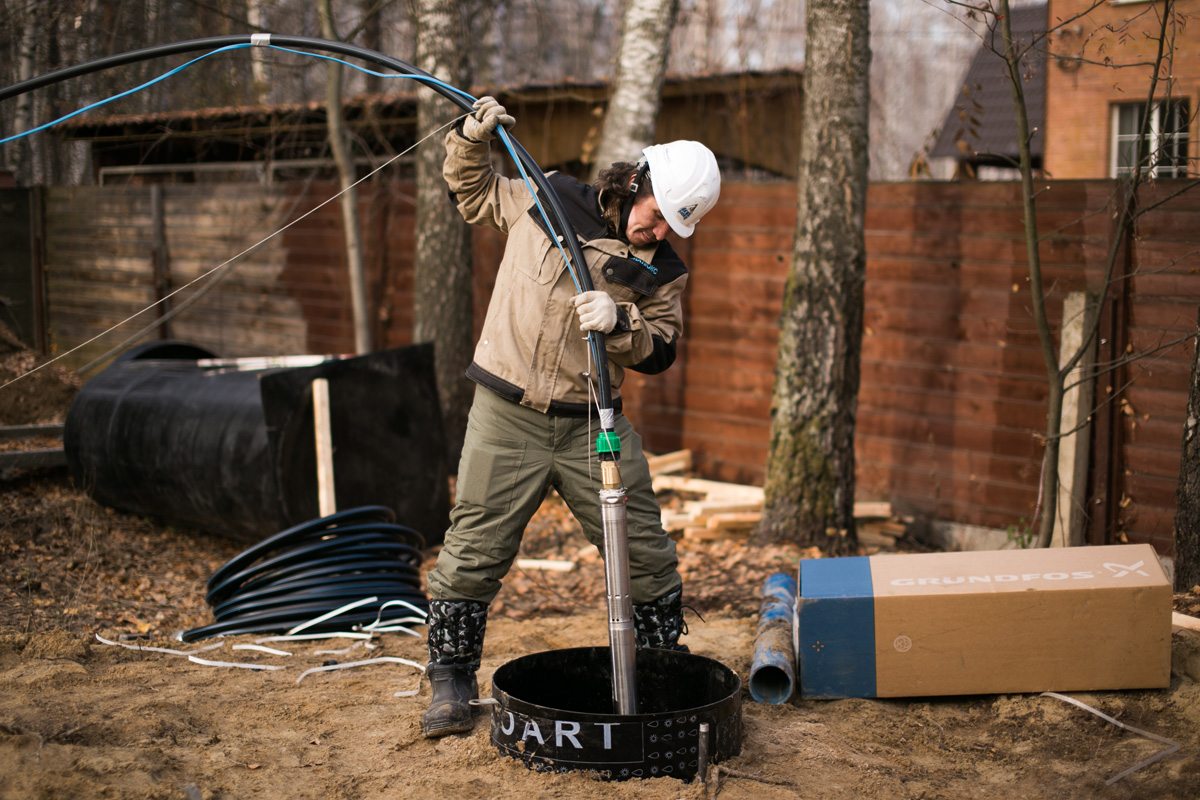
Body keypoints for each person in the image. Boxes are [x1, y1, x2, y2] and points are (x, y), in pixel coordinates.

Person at [422, 97, 721, 738]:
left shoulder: (663, 268)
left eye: (673, 226)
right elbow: (473, 194)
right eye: (658, 215)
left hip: (593, 425)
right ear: (636, 182)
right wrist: (471, 139)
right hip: (507, 414)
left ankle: (660, 668)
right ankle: (450, 679)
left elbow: (661, 348)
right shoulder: (549, 196)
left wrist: (622, 320)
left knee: (644, 553)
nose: (660, 232)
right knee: (473, 549)